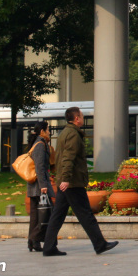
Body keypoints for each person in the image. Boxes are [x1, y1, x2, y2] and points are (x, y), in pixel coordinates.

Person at [42, 107, 118, 257]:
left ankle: (49, 247)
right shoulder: (73, 135)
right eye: (82, 116)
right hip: (72, 182)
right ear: (76, 118)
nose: (83, 118)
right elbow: (68, 158)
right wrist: (66, 179)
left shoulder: (65, 132)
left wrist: (63, 179)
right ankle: (100, 244)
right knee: (85, 214)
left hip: (68, 182)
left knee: (57, 215)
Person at [26, 121, 54, 253]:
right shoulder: (40, 145)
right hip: (39, 186)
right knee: (46, 214)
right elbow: (40, 167)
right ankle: (34, 239)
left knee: (36, 216)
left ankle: (33, 242)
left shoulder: (39, 143)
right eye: (48, 130)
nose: (49, 132)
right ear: (42, 131)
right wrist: (44, 186)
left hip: (34, 187)